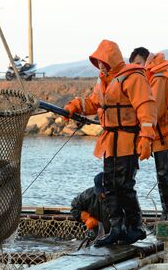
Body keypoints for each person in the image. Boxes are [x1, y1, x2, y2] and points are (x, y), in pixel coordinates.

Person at [64, 40, 157, 246]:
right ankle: (116, 228)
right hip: (109, 142)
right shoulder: (103, 80)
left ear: (112, 59)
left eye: (103, 61)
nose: (101, 65)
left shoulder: (133, 77)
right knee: (109, 185)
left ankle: (136, 227)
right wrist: (75, 105)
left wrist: (146, 137)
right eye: (98, 62)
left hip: (128, 140)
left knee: (125, 186)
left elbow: (146, 107)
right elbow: (94, 103)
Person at [130, 47, 168, 220]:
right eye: (134, 66)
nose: (138, 68)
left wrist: (139, 130)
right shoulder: (153, 76)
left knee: (166, 176)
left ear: (148, 61)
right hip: (164, 134)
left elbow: (155, 109)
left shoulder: (159, 78)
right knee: (165, 176)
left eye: (140, 64)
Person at [70, 172, 110, 240]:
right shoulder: (88, 195)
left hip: (115, 235)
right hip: (96, 234)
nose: (103, 194)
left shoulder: (121, 197)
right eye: (101, 192)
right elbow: (74, 207)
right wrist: (87, 218)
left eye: (106, 191)